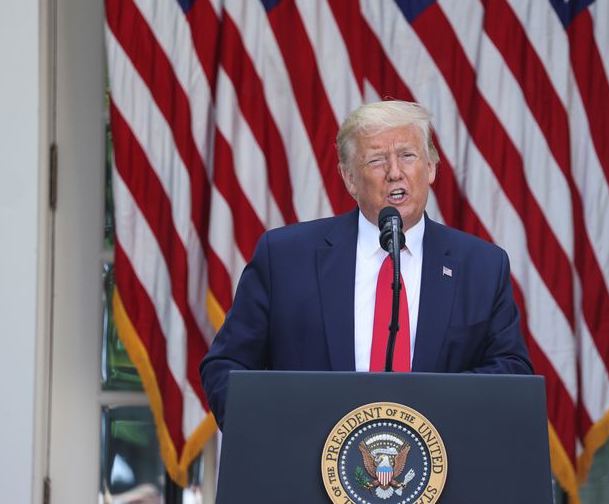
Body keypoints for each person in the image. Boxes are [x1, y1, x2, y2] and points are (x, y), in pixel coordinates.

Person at [200, 101, 533, 428]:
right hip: (309, 471)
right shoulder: (285, 257)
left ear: (431, 167)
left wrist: (434, 408)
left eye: (407, 155)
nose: (394, 172)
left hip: (441, 471)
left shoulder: (482, 266)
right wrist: (278, 437)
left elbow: (511, 371)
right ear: (349, 179)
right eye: (376, 159)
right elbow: (227, 367)